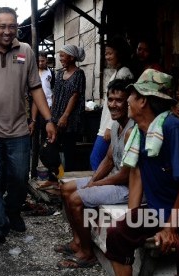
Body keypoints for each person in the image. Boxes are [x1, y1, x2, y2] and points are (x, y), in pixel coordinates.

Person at [105, 69, 179, 276]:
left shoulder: (172, 128)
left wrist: (170, 227)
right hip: (161, 210)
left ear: (143, 101)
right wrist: (132, 216)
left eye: (131, 96)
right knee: (117, 233)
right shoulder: (140, 132)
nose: (127, 101)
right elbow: (138, 175)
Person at [0, 7, 56, 252]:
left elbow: (36, 88)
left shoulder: (25, 51)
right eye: (2, 26)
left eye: (12, 27)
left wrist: (48, 119)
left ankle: (12, 210)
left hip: (18, 130)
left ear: (17, 27)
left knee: (19, 177)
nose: (7, 32)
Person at [55, 79, 133, 269]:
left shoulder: (132, 130)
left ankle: (88, 253)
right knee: (65, 188)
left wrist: (96, 185)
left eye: (119, 101)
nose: (113, 105)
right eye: (110, 99)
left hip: (127, 187)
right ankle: (77, 242)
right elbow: (108, 159)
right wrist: (93, 179)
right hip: (114, 180)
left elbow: (125, 175)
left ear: (129, 103)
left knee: (75, 199)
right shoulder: (116, 126)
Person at [90, 35, 134, 171]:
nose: (107, 57)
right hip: (107, 125)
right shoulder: (117, 72)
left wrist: (110, 126)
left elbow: (122, 104)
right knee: (102, 159)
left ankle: (98, 186)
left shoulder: (124, 73)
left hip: (110, 125)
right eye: (105, 54)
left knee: (96, 158)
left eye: (109, 53)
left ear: (119, 54)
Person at [50, 44, 86, 172]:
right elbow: (55, 94)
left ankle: (68, 179)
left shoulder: (78, 74)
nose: (60, 59)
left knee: (68, 150)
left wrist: (65, 116)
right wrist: (51, 115)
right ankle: (56, 177)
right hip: (55, 117)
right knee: (52, 150)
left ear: (71, 57)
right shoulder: (59, 74)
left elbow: (74, 96)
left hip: (70, 120)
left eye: (62, 56)